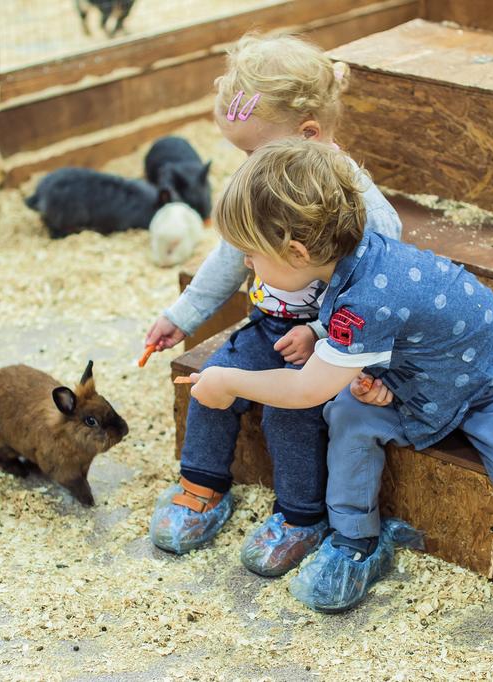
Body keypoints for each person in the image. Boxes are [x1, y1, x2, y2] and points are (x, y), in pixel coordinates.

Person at [188, 138, 493, 616]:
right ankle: (354, 541)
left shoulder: (364, 295)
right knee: (348, 416)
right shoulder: (351, 260)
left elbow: (305, 389)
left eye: (251, 254)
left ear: (295, 251)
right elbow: (369, 335)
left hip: (489, 381)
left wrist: (227, 381)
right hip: (415, 382)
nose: (246, 263)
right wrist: (333, 345)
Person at [145, 34, 402, 577]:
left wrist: (320, 331)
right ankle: (202, 485)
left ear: (308, 136)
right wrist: (182, 316)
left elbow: (381, 282)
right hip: (268, 326)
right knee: (211, 383)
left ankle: (301, 517)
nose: (245, 165)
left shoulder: (360, 206)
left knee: (293, 414)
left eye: (252, 151)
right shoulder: (266, 180)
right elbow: (229, 255)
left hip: (333, 344)